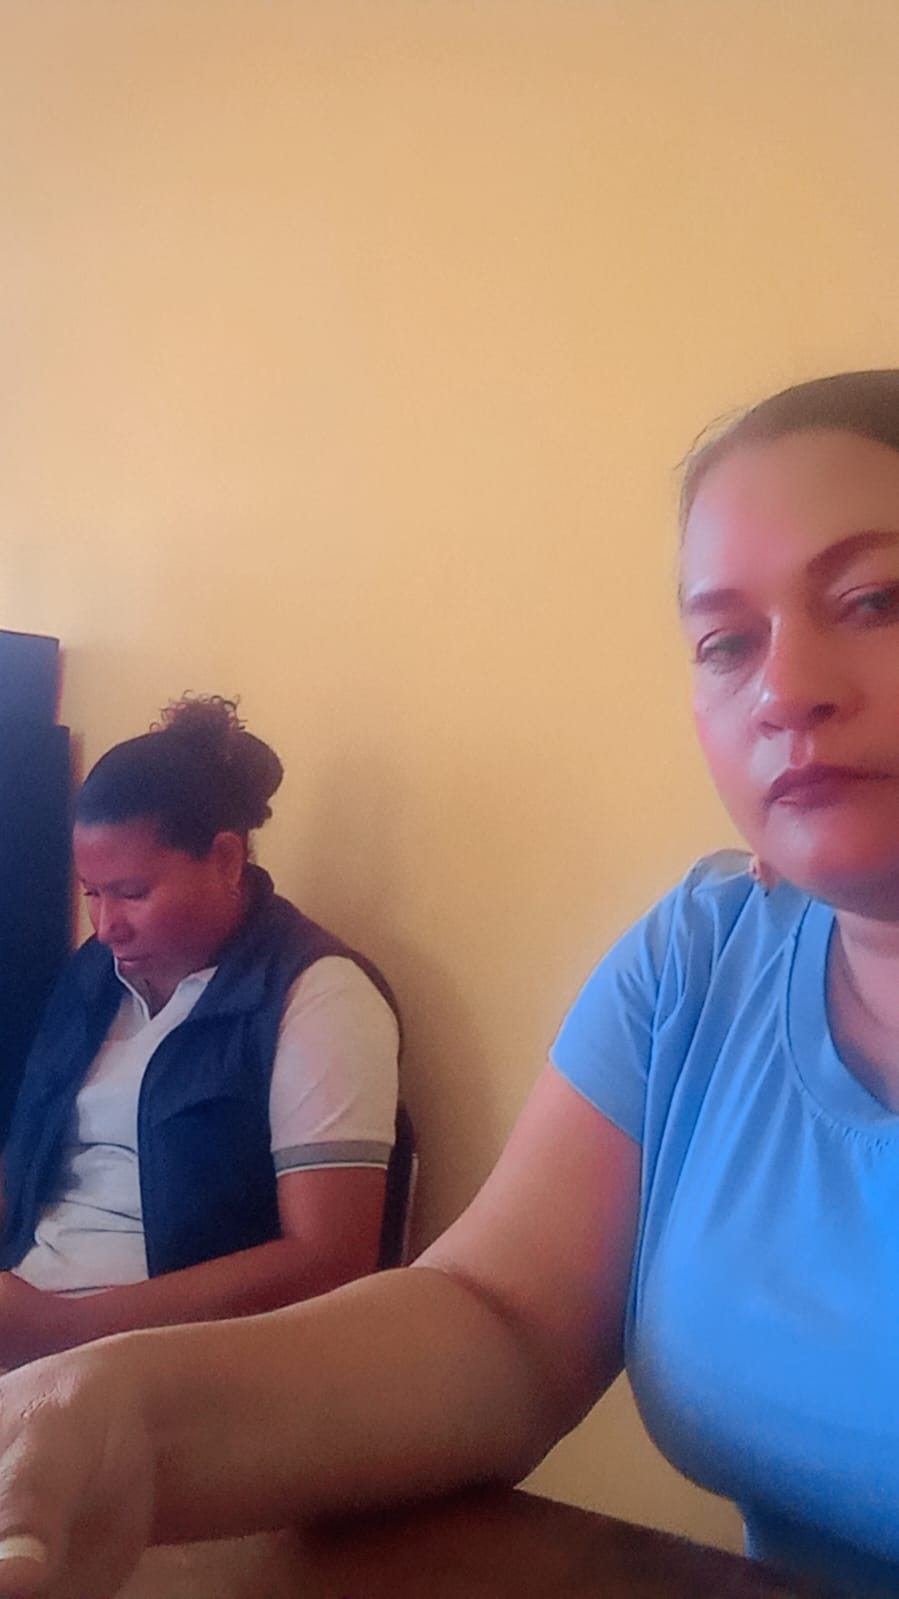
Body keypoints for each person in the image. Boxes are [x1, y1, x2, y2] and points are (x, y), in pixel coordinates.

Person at [0, 371, 895, 1599]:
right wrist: (114, 1410)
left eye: (875, 598)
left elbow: (325, 1252)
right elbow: (498, 1317)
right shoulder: (702, 957)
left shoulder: (313, 993)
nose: (784, 690)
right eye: (725, 643)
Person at [0, 695, 400, 1368]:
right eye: (91, 892)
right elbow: (29, 1156)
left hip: (174, 1362)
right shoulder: (96, 974)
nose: (106, 925)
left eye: (132, 892)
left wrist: (68, 1328)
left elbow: (331, 1260)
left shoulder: (318, 995)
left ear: (226, 859)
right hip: (32, 1320)